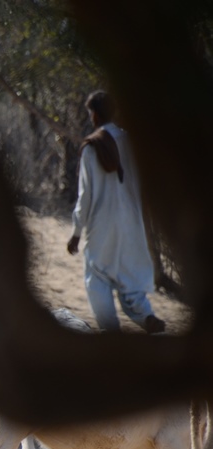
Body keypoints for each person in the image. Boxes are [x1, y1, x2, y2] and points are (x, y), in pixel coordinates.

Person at [67, 90, 165, 334]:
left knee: (97, 278)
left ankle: (111, 332)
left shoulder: (91, 148)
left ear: (96, 115)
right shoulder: (132, 143)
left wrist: (77, 232)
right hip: (132, 223)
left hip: (101, 226)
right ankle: (147, 317)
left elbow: (85, 196)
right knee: (131, 281)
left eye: (91, 113)